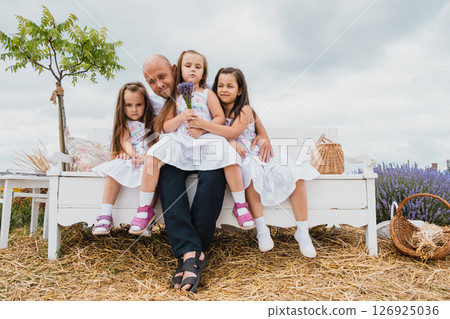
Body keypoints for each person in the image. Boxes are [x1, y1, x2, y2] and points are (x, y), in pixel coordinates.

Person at [140, 53, 273, 292]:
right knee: (168, 175)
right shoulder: (155, 100)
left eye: (162, 77)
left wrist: (261, 134)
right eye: (151, 82)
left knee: (214, 175)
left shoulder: (203, 88)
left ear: (174, 69)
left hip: (205, 149)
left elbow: (241, 112)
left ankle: (190, 254)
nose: (158, 85)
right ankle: (193, 253)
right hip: (177, 154)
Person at [188, 67, 320, 258]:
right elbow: (221, 135)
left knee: (295, 173)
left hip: (258, 153)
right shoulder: (212, 112)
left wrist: (203, 127)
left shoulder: (245, 109)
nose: (224, 89)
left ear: (240, 90)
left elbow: (234, 132)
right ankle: (261, 229)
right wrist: (225, 140)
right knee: (249, 174)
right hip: (242, 159)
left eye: (230, 86)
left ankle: (302, 231)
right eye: (220, 85)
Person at [91, 82, 155, 236]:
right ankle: (105, 216)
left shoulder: (153, 123)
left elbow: (155, 143)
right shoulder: (125, 124)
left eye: (138, 104)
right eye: (129, 105)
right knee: (114, 172)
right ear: (122, 106)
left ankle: (145, 218)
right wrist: (132, 155)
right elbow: (125, 141)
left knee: (153, 173)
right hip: (131, 158)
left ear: (146, 104)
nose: (134, 109)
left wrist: (146, 156)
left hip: (148, 159)